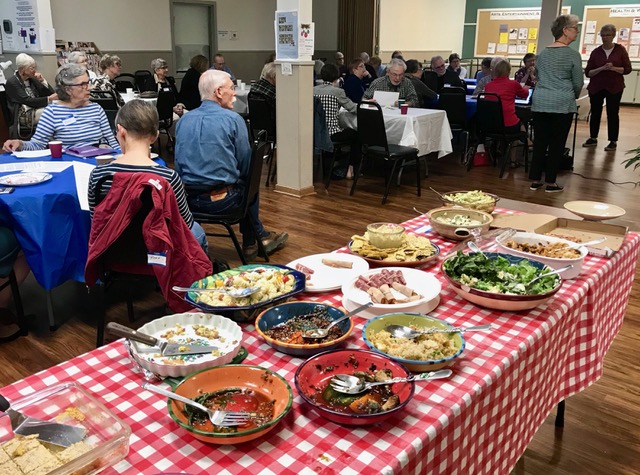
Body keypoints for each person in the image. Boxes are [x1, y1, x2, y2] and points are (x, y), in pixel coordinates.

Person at [174, 69, 288, 260]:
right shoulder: (234, 120)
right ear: (219, 92)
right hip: (223, 203)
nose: (235, 93)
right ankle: (253, 240)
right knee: (249, 182)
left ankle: (258, 236)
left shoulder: (183, 121)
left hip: (187, 202)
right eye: (232, 88)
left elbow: (179, 165)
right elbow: (245, 165)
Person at [88, 100, 207, 252]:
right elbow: (184, 225)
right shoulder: (168, 177)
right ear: (155, 136)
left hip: (113, 252)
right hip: (160, 254)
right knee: (196, 231)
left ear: (121, 131)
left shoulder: (98, 175)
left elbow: (96, 222)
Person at [2, 63, 120, 153]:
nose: (89, 88)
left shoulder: (96, 109)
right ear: (68, 89)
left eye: (88, 83)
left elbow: (112, 141)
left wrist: (122, 157)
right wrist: (20, 144)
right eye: (82, 85)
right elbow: (38, 145)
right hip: (70, 162)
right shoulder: (52, 112)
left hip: (97, 158)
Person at [529, 14, 583, 193]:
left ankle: (535, 180)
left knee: (540, 141)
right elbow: (578, 83)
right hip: (562, 103)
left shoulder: (542, 54)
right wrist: (571, 96)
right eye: (575, 28)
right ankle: (551, 183)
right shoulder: (573, 55)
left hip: (540, 101)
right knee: (557, 143)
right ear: (565, 31)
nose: (577, 32)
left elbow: (538, 77)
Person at [583, 24, 632, 152]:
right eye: (603, 35)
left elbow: (628, 69)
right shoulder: (596, 52)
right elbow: (588, 72)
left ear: (613, 35)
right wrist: (601, 68)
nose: (605, 38)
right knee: (595, 112)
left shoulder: (620, 50)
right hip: (596, 87)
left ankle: (613, 141)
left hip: (614, 86)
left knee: (612, 113)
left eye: (608, 35)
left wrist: (614, 68)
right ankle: (593, 137)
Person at [313, 63, 360, 179]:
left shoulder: (313, 90)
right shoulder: (337, 92)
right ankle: (350, 168)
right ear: (337, 77)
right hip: (332, 133)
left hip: (316, 132)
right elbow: (353, 108)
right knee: (356, 134)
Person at [4, 53, 57, 138]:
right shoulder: (12, 82)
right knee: (52, 112)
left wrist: (42, 81)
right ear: (23, 69)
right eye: (32, 68)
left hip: (37, 110)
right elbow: (28, 101)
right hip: (24, 115)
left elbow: (50, 93)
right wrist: (49, 99)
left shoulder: (31, 79)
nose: (35, 70)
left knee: (58, 108)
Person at [484, 60, 529, 133]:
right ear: (509, 72)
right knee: (523, 120)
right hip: (509, 125)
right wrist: (526, 89)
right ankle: (523, 137)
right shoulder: (513, 84)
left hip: (491, 125)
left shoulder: (488, 86)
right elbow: (524, 95)